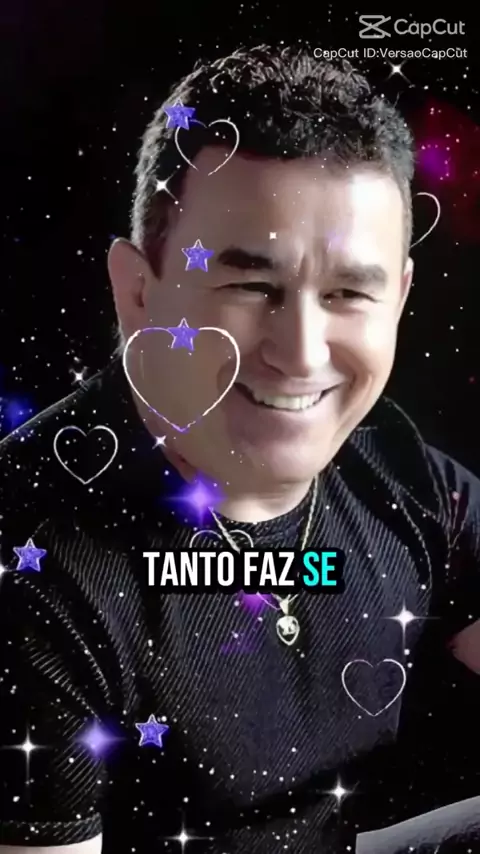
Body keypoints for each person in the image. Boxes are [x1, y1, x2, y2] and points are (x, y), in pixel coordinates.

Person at [0, 45, 479, 854]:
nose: (301, 354)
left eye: (348, 293)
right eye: (252, 286)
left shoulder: (393, 463)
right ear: (138, 292)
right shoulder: (34, 569)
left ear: (398, 297)